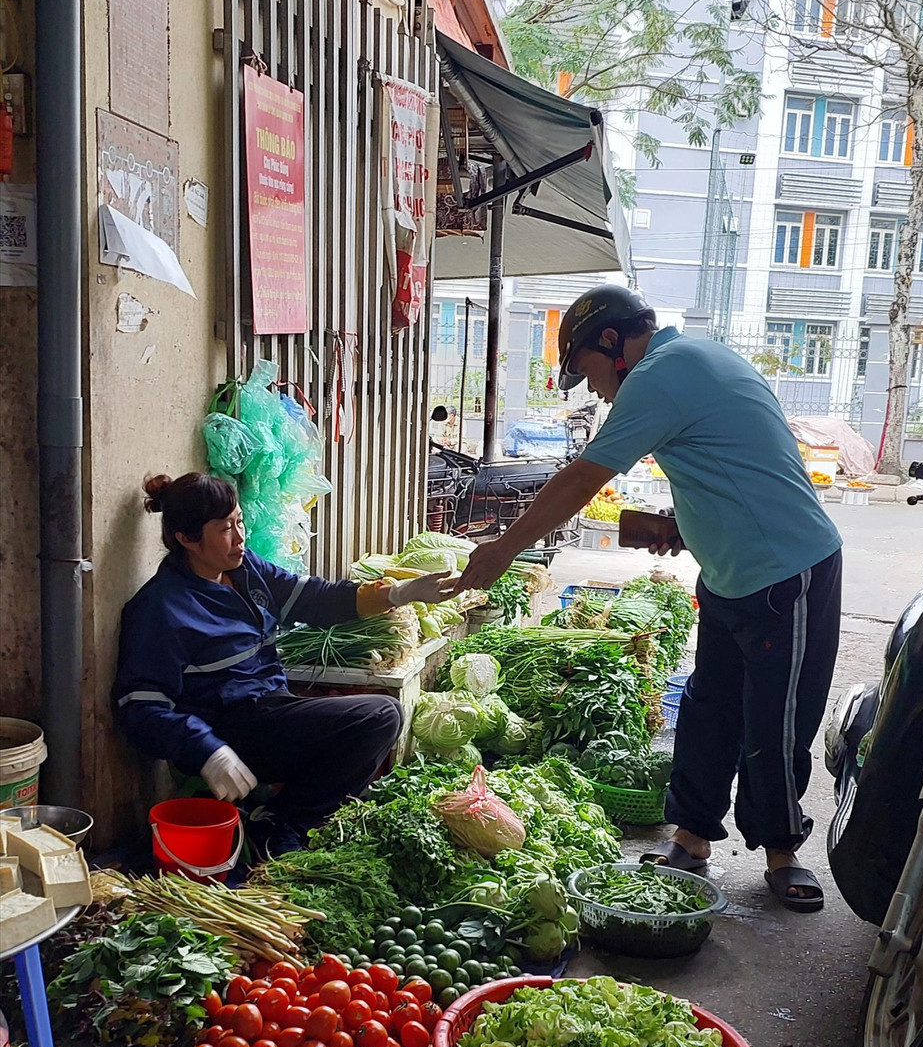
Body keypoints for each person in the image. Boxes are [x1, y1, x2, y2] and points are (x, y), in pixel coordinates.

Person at [458, 285, 844, 909]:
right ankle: (691, 838)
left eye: (586, 370)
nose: (593, 389)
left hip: (786, 569)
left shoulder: (661, 374)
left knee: (776, 718)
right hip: (730, 572)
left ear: (612, 342)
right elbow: (732, 467)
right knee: (709, 706)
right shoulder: (693, 358)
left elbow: (583, 478)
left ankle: (782, 851)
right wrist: (684, 525)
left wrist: (504, 548)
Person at [113, 473, 464, 856]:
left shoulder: (245, 571)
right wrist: (207, 749)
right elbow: (140, 708)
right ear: (187, 539)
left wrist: (398, 593)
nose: (240, 537)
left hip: (271, 709)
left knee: (373, 720)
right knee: (380, 715)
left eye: (239, 521)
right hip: (230, 731)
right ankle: (283, 825)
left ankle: (278, 817)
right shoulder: (160, 609)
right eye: (225, 529)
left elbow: (314, 599)